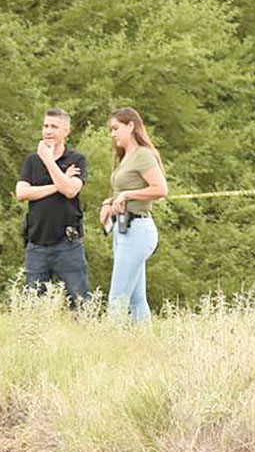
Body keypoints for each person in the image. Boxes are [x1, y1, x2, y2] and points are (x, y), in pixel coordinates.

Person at [15, 108, 91, 306]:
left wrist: (49, 160)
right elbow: (22, 193)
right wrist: (59, 182)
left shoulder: (76, 160)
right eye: (45, 126)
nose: (48, 131)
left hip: (67, 244)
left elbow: (71, 191)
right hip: (36, 243)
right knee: (34, 306)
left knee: (81, 303)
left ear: (66, 131)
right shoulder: (32, 161)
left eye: (54, 127)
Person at [100, 107, 168, 323]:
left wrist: (127, 195)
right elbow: (121, 192)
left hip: (138, 230)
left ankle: (113, 346)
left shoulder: (143, 155)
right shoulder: (125, 157)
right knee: (137, 299)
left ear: (130, 126)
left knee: (117, 298)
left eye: (116, 128)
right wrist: (109, 203)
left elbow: (160, 189)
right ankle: (144, 346)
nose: (113, 134)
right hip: (122, 230)